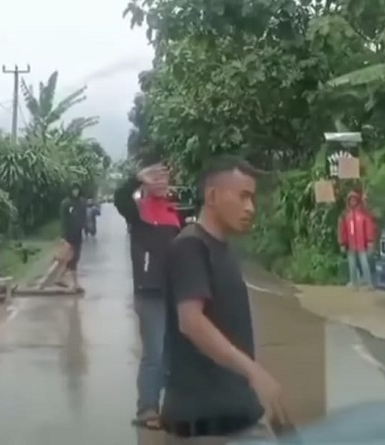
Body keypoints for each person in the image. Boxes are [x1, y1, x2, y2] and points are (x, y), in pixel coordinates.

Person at [161, 156, 287, 444]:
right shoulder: (190, 246)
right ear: (213, 195)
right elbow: (191, 322)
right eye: (243, 197)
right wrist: (254, 372)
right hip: (205, 425)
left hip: (237, 415)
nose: (250, 208)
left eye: (252, 199)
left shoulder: (222, 248)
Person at [114, 160, 181, 430]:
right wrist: (136, 178)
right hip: (149, 291)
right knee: (154, 352)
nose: (160, 181)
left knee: (170, 353)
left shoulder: (175, 210)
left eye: (164, 176)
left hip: (175, 289)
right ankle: (147, 409)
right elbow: (120, 198)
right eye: (154, 176)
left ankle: (169, 405)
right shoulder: (137, 210)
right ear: (146, 181)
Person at [337, 190, 376, 289]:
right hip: (351, 245)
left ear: (358, 201)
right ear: (348, 201)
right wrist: (342, 243)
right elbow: (342, 230)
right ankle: (353, 283)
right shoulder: (345, 215)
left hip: (362, 244)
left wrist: (370, 241)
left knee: (365, 264)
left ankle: (369, 283)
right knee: (352, 265)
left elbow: (369, 228)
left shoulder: (363, 214)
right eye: (351, 200)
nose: (353, 201)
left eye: (355, 199)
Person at [59, 182, 87, 292]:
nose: (75, 192)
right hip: (68, 234)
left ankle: (60, 277)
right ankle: (75, 284)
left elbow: (83, 216)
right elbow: (63, 221)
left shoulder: (81, 202)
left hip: (78, 234)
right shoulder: (66, 203)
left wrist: (84, 227)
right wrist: (63, 236)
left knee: (75, 258)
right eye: (73, 189)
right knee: (72, 259)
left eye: (77, 189)